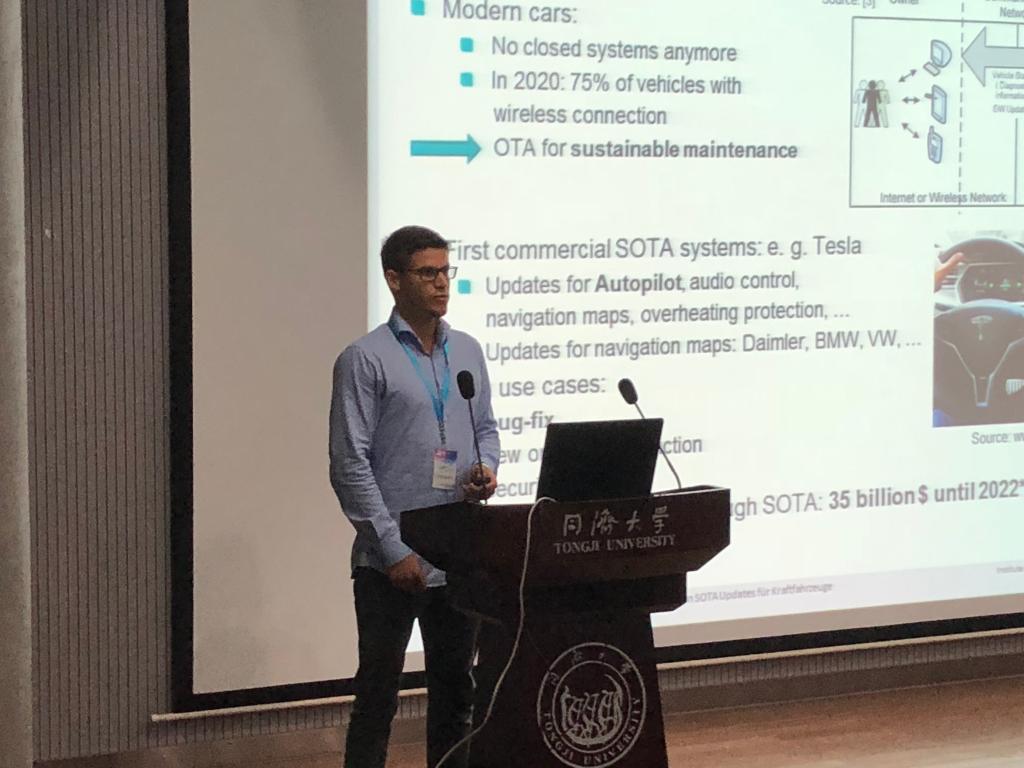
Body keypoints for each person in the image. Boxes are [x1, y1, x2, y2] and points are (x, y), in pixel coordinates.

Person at [329, 225, 500, 768]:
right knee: (377, 696)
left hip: (457, 554)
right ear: (394, 279)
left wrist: (486, 469)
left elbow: (486, 428)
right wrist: (392, 548)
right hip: (390, 561)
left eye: (446, 271)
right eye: (428, 273)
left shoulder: (467, 350)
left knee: (456, 692)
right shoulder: (364, 358)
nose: (442, 283)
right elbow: (349, 463)